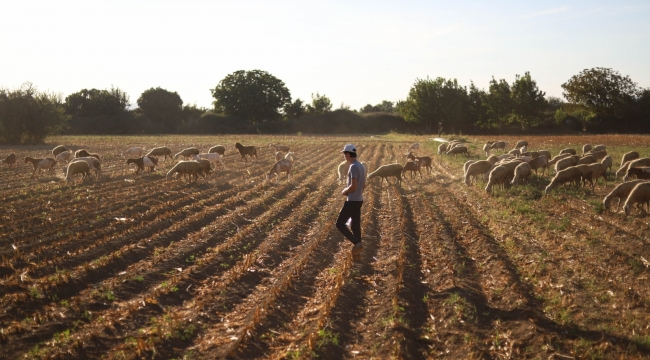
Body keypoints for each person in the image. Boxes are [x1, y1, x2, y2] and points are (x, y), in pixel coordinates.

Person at [335, 144, 366, 260]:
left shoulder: (353, 167)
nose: (344, 156)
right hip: (359, 200)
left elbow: (353, 185)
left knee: (339, 224)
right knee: (355, 226)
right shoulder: (361, 166)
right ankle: (357, 254)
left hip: (352, 201)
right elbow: (363, 185)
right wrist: (358, 193)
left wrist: (345, 191)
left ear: (348, 154)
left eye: (344, 154)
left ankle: (357, 243)